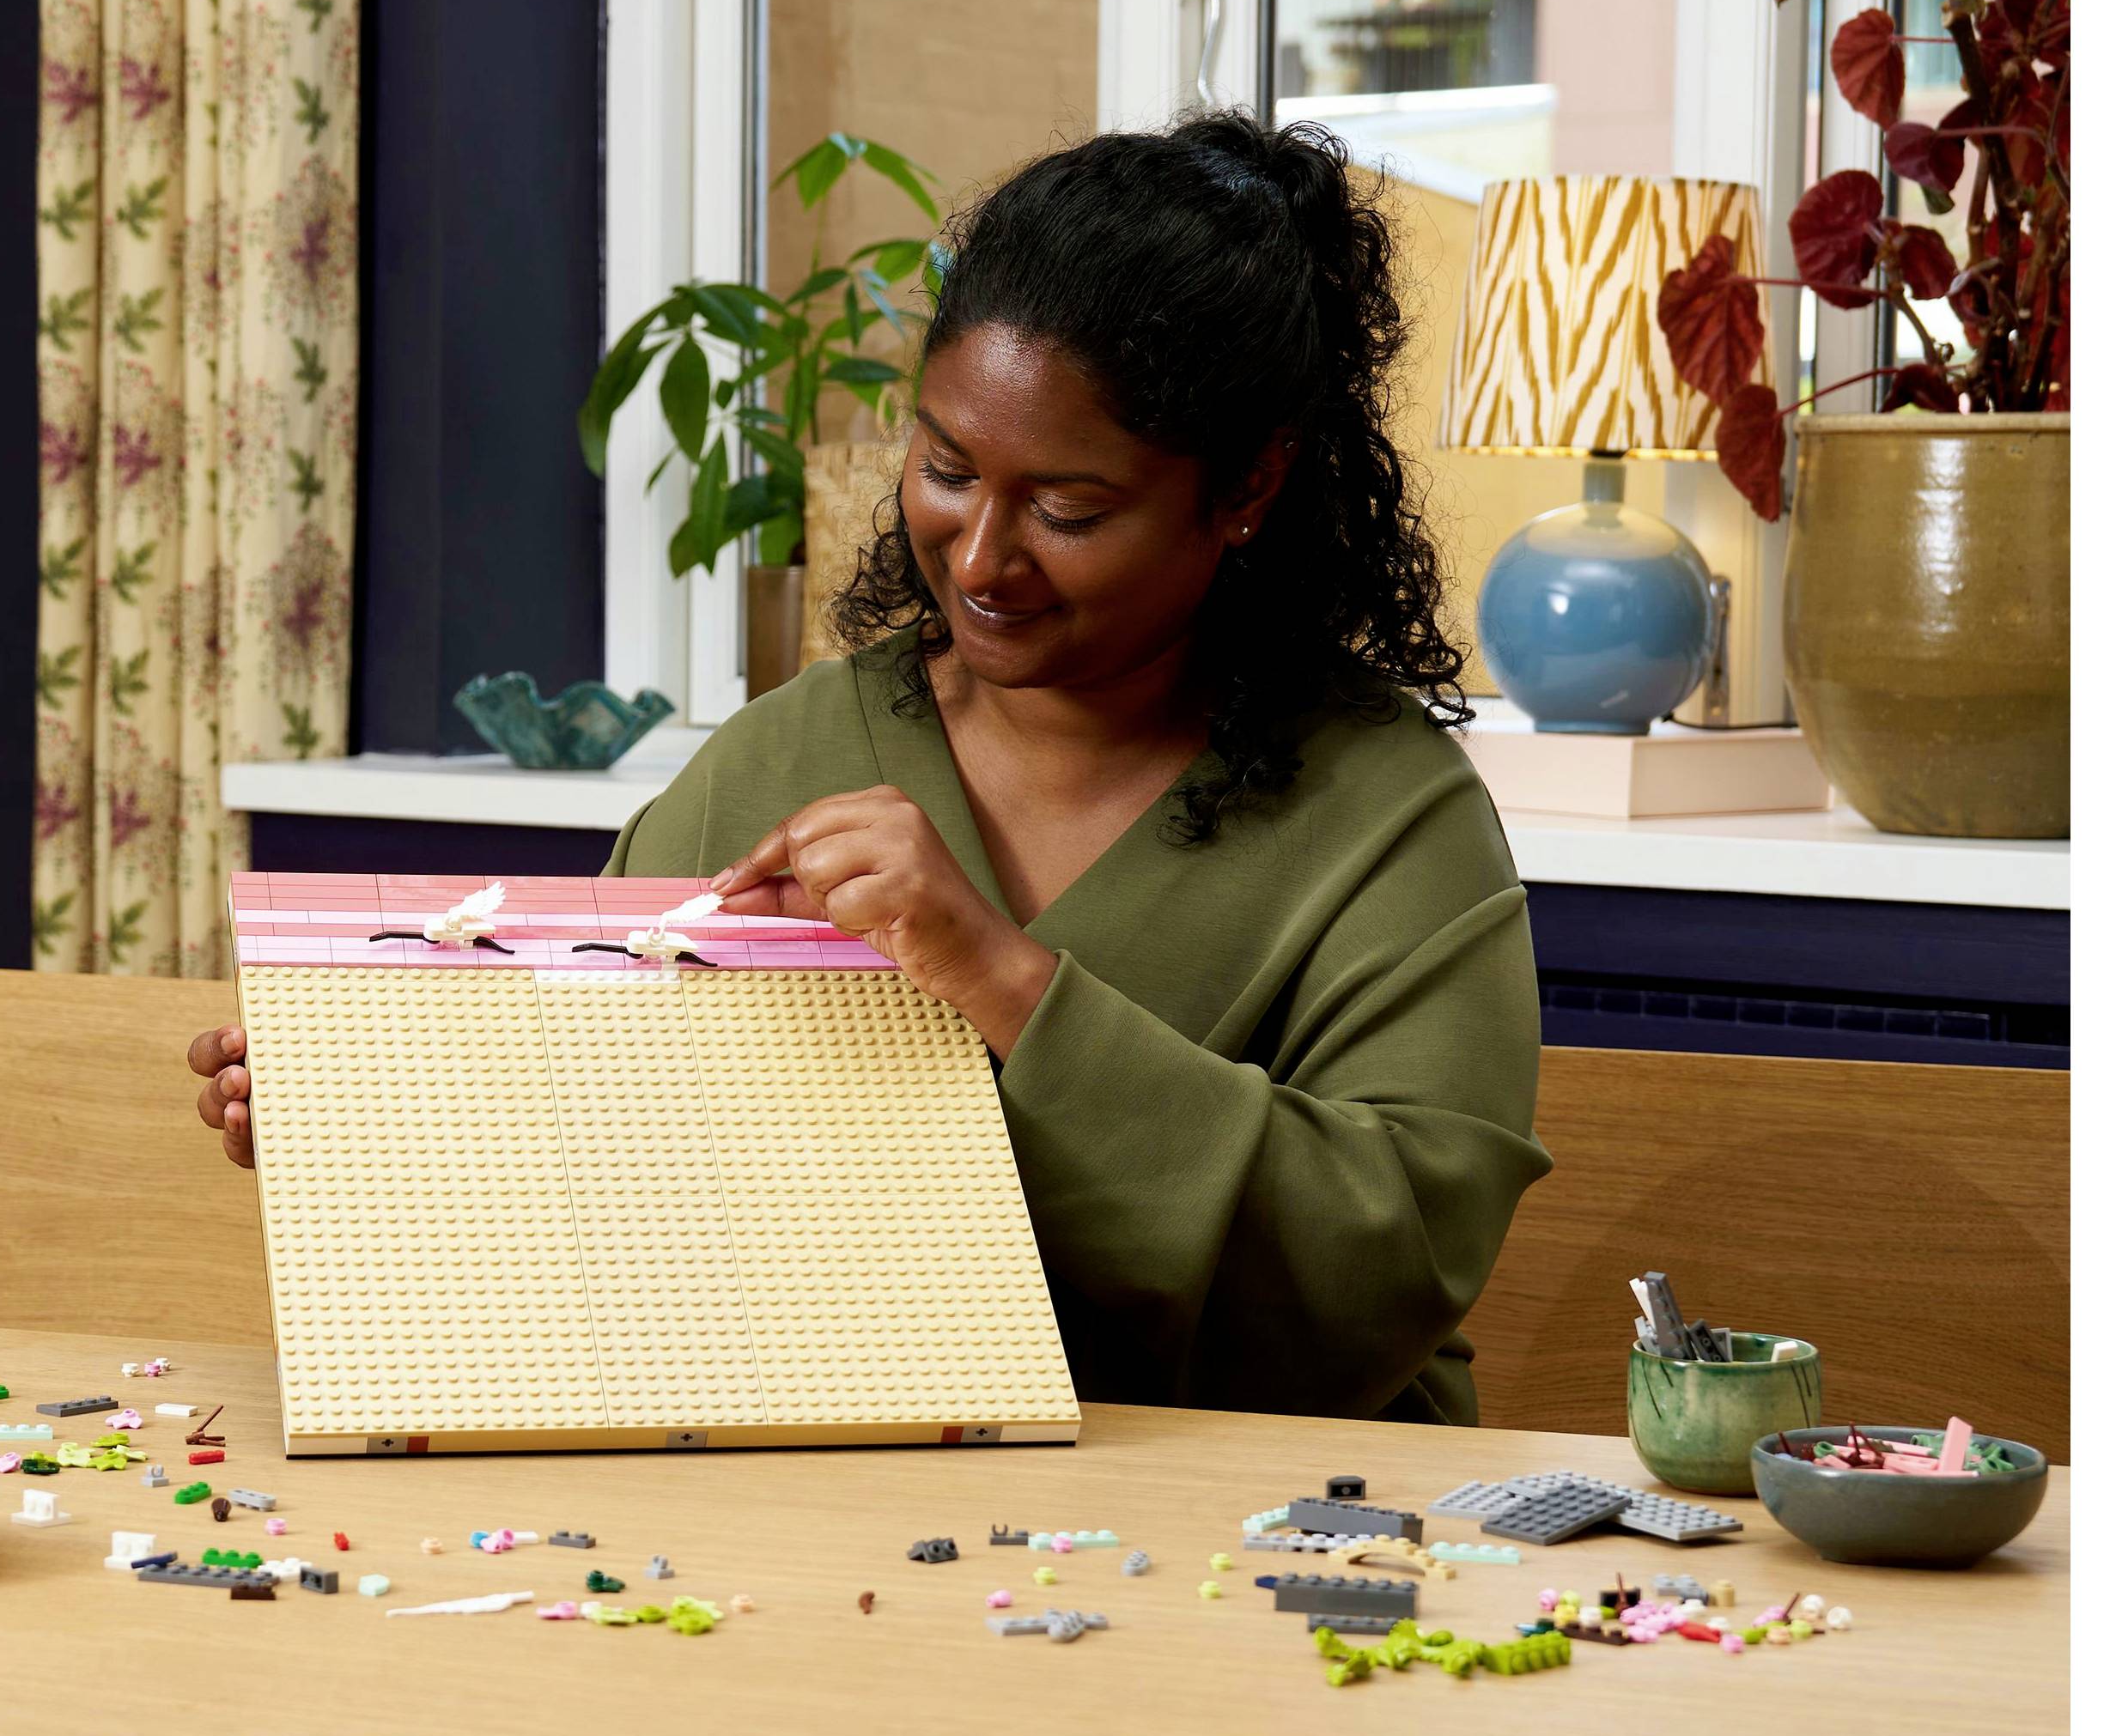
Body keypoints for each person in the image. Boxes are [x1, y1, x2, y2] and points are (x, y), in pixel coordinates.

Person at [191, 110, 1548, 1423]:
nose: (980, 559)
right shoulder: (791, 751)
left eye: (1069, 511)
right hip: (815, 1485)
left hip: (1245, 1528)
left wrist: (1008, 983)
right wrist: (366, 1118)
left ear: (1248, 487)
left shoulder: (1386, 820)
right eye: (947, 470)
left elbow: (1389, 1272)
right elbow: (589, 1161)